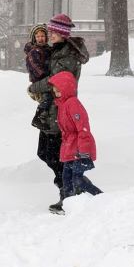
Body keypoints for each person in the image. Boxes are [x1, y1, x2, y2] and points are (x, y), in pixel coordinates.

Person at [27, 13, 90, 211]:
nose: (49, 35)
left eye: (53, 32)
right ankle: (72, 187)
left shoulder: (67, 56)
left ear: (62, 33)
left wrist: (33, 88)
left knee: (56, 155)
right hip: (51, 110)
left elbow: (56, 80)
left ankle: (70, 192)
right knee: (44, 153)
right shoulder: (57, 50)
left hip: (61, 111)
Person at [47, 71, 102, 214]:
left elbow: (83, 129)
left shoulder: (73, 104)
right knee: (66, 178)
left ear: (66, 89)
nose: (56, 92)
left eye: (59, 90)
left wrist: (84, 151)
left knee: (77, 179)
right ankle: (69, 205)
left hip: (79, 150)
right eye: (54, 90)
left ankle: (102, 199)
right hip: (69, 149)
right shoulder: (62, 105)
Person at [23, 24, 52, 130]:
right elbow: (35, 66)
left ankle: (43, 116)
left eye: (43, 36)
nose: (40, 38)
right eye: (38, 36)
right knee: (47, 97)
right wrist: (44, 74)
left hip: (47, 78)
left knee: (49, 98)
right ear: (34, 38)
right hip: (39, 79)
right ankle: (38, 117)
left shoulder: (47, 49)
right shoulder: (34, 51)